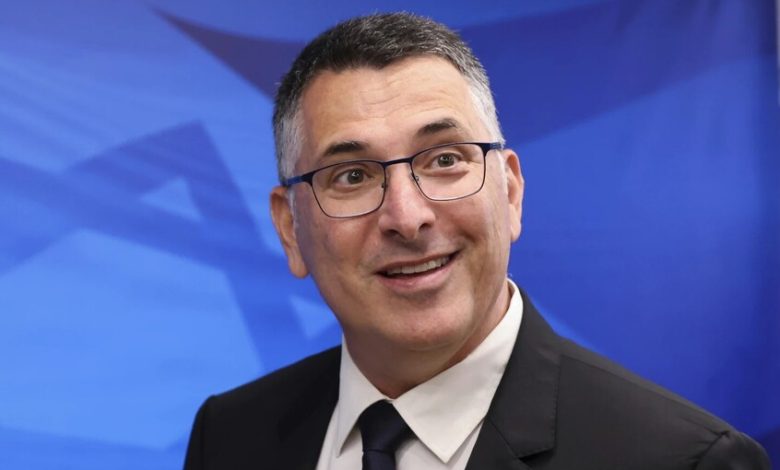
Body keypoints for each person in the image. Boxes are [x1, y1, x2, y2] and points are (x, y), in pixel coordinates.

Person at [183, 12, 770, 470]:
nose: (407, 217)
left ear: (510, 193)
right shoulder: (229, 437)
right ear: (290, 229)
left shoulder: (683, 462)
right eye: (353, 175)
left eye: (444, 160)